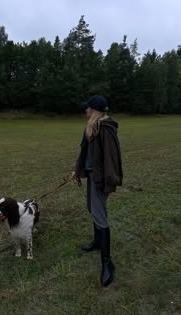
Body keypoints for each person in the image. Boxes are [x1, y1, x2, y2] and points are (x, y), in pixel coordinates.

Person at [72, 95, 123, 287]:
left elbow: (111, 158)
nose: (85, 111)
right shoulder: (93, 128)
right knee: (93, 209)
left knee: (100, 215)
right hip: (93, 177)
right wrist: (78, 170)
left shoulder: (106, 129)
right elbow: (87, 154)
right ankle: (97, 241)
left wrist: (109, 183)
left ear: (94, 110)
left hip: (101, 180)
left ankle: (107, 263)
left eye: (87, 108)